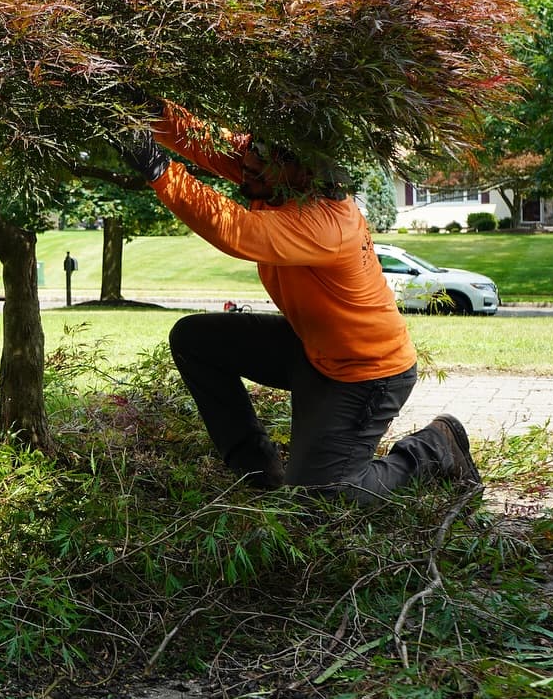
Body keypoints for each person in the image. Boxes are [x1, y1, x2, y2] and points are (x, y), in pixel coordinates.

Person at [118, 102, 481, 505]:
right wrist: (142, 108)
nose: (246, 167)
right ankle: (257, 471)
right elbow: (201, 140)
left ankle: (434, 448)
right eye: (250, 153)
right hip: (311, 348)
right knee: (194, 339)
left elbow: (237, 230)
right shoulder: (273, 171)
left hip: (364, 374)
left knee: (323, 498)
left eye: (260, 165)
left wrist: (159, 171)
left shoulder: (326, 223)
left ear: (302, 169)